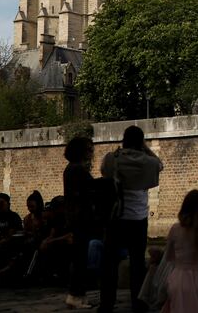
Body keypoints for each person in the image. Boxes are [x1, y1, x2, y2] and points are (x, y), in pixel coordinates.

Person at [99, 125, 163, 313]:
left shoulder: (112, 159)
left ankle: (106, 304)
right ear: (141, 142)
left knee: (109, 263)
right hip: (138, 219)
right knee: (137, 263)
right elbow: (160, 165)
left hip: (116, 218)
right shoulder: (147, 163)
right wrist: (146, 148)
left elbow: (103, 171)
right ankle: (138, 302)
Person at [63, 136, 96, 309]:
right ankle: (75, 294)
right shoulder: (78, 170)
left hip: (74, 218)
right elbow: (90, 190)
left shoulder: (71, 169)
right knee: (79, 259)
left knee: (79, 258)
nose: (92, 152)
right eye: (89, 149)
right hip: (80, 219)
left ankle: (79, 294)